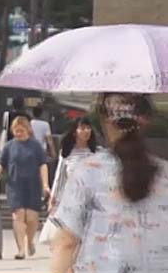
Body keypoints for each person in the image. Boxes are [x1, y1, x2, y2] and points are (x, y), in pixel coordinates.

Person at [50, 94, 168, 273]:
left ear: (105, 122)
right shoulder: (164, 173)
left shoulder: (88, 171)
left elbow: (66, 242)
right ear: (146, 121)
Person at [0, 116, 49, 260]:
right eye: (16, 131)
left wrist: (45, 184)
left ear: (27, 130)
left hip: (32, 186)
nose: (18, 133)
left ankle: (29, 241)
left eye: (21, 130)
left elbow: (43, 165)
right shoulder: (9, 146)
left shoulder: (35, 146)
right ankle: (21, 250)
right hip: (15, 185)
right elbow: (0, 161)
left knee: (31, 218)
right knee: (18, 216)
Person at [47, 117, 98, 214]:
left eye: (88, 128)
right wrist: (53, 198)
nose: (86, 131)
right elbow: (60, 177)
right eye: (82, 128)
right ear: (75, 132)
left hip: (92, 201)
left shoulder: (97, 153)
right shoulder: (67, 153)